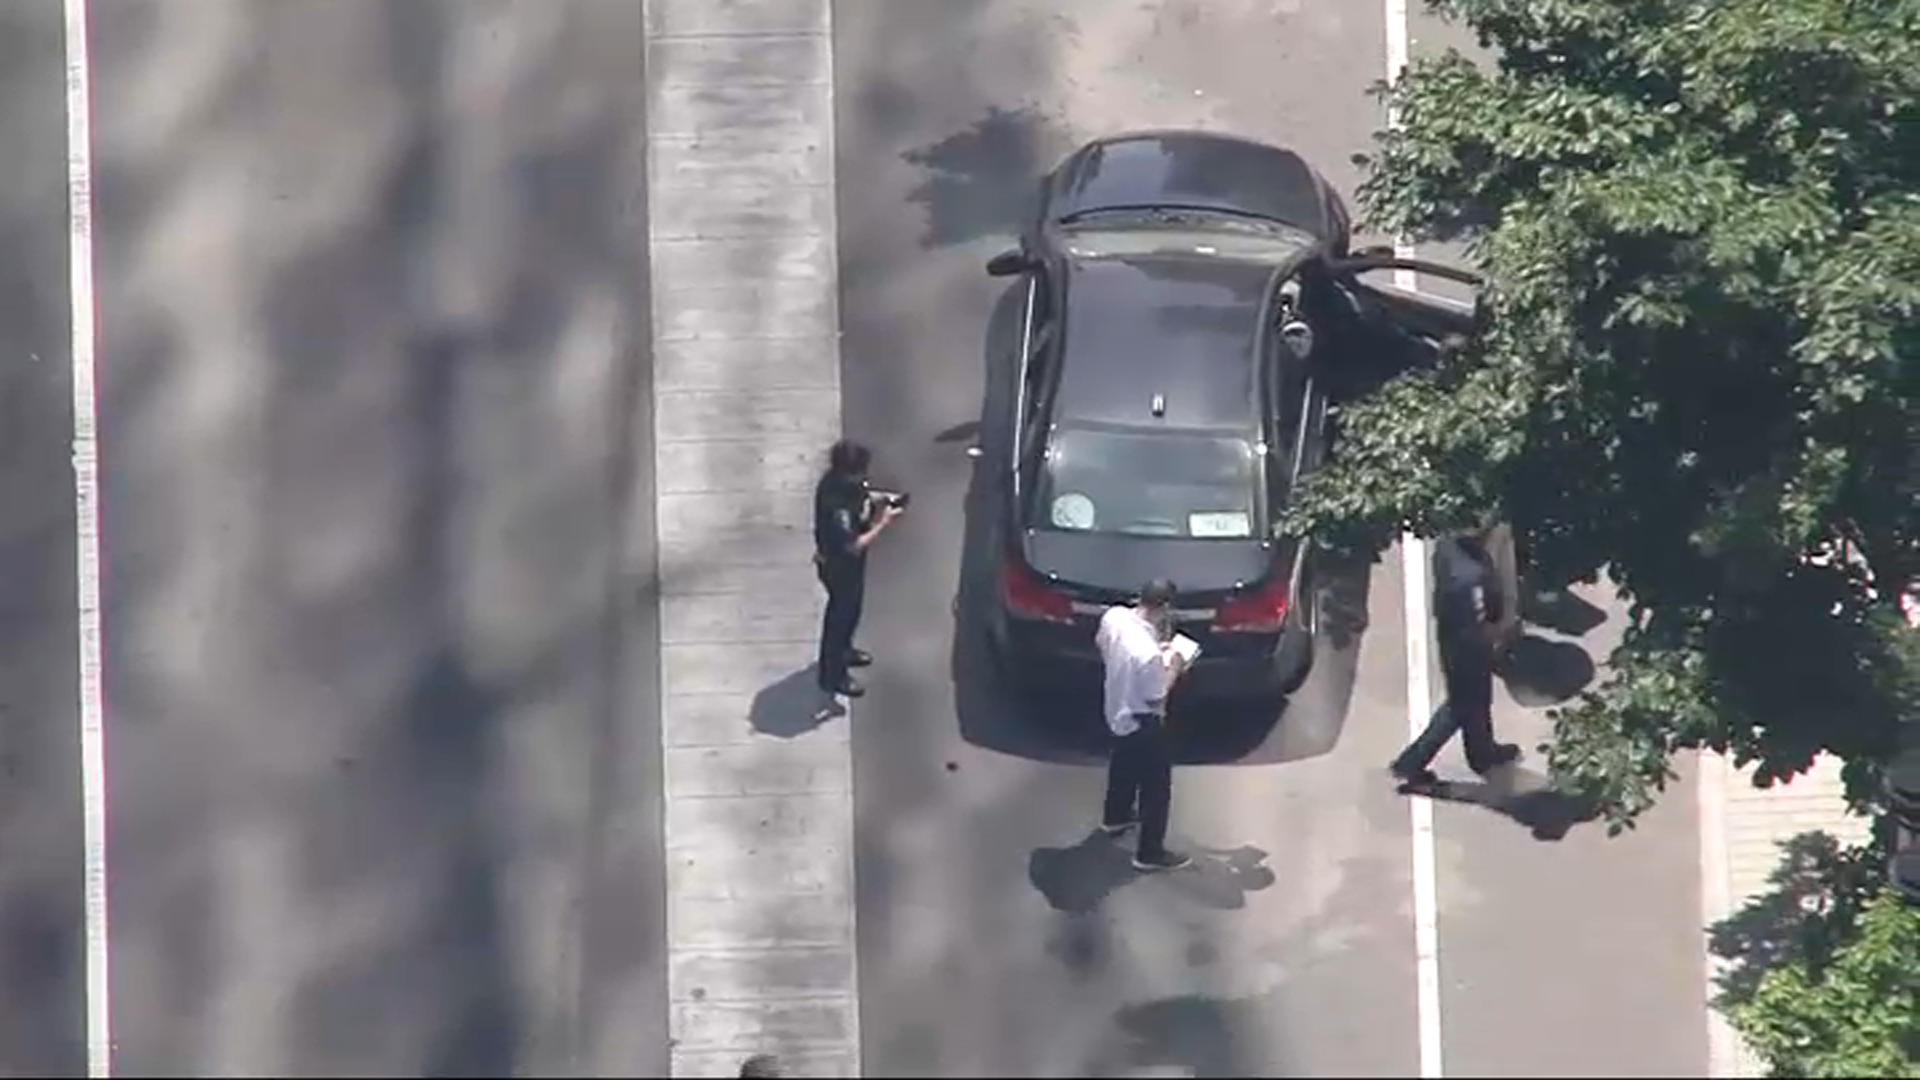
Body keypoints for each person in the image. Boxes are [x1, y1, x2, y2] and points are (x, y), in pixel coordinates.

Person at [1391, 523, 1523, 786]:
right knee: (1460, 705)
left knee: (1479, 698)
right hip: (1467, 646)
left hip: (1452, 635)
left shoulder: (1448, 547)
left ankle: (1482, 752)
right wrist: (1498, 631)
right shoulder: (1471, 576)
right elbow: (1480, 622)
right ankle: (1411, 763)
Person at [1095, 578, 1194, 872]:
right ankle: (1150, 852)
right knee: (1156, 788)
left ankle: (1116, 817)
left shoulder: (1114, 618)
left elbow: (1102, 645)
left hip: (1116, 706)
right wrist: (1174, 665)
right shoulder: (1149, 655)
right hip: (1143, 721)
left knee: (1123, 764)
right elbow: (1157, 696)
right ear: (1164, 606)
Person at [812, 439, 903, 698]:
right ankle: (833, 675)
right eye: (861, 470)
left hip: (852, 567)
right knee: (839, 620)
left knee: (852, 612)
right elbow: (853, 545)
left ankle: (845, 650)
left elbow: (862, 495)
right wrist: (884, 523)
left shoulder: (847, 484)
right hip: (839, 567)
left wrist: (882, 497)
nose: (865, 475)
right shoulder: (835, 503)